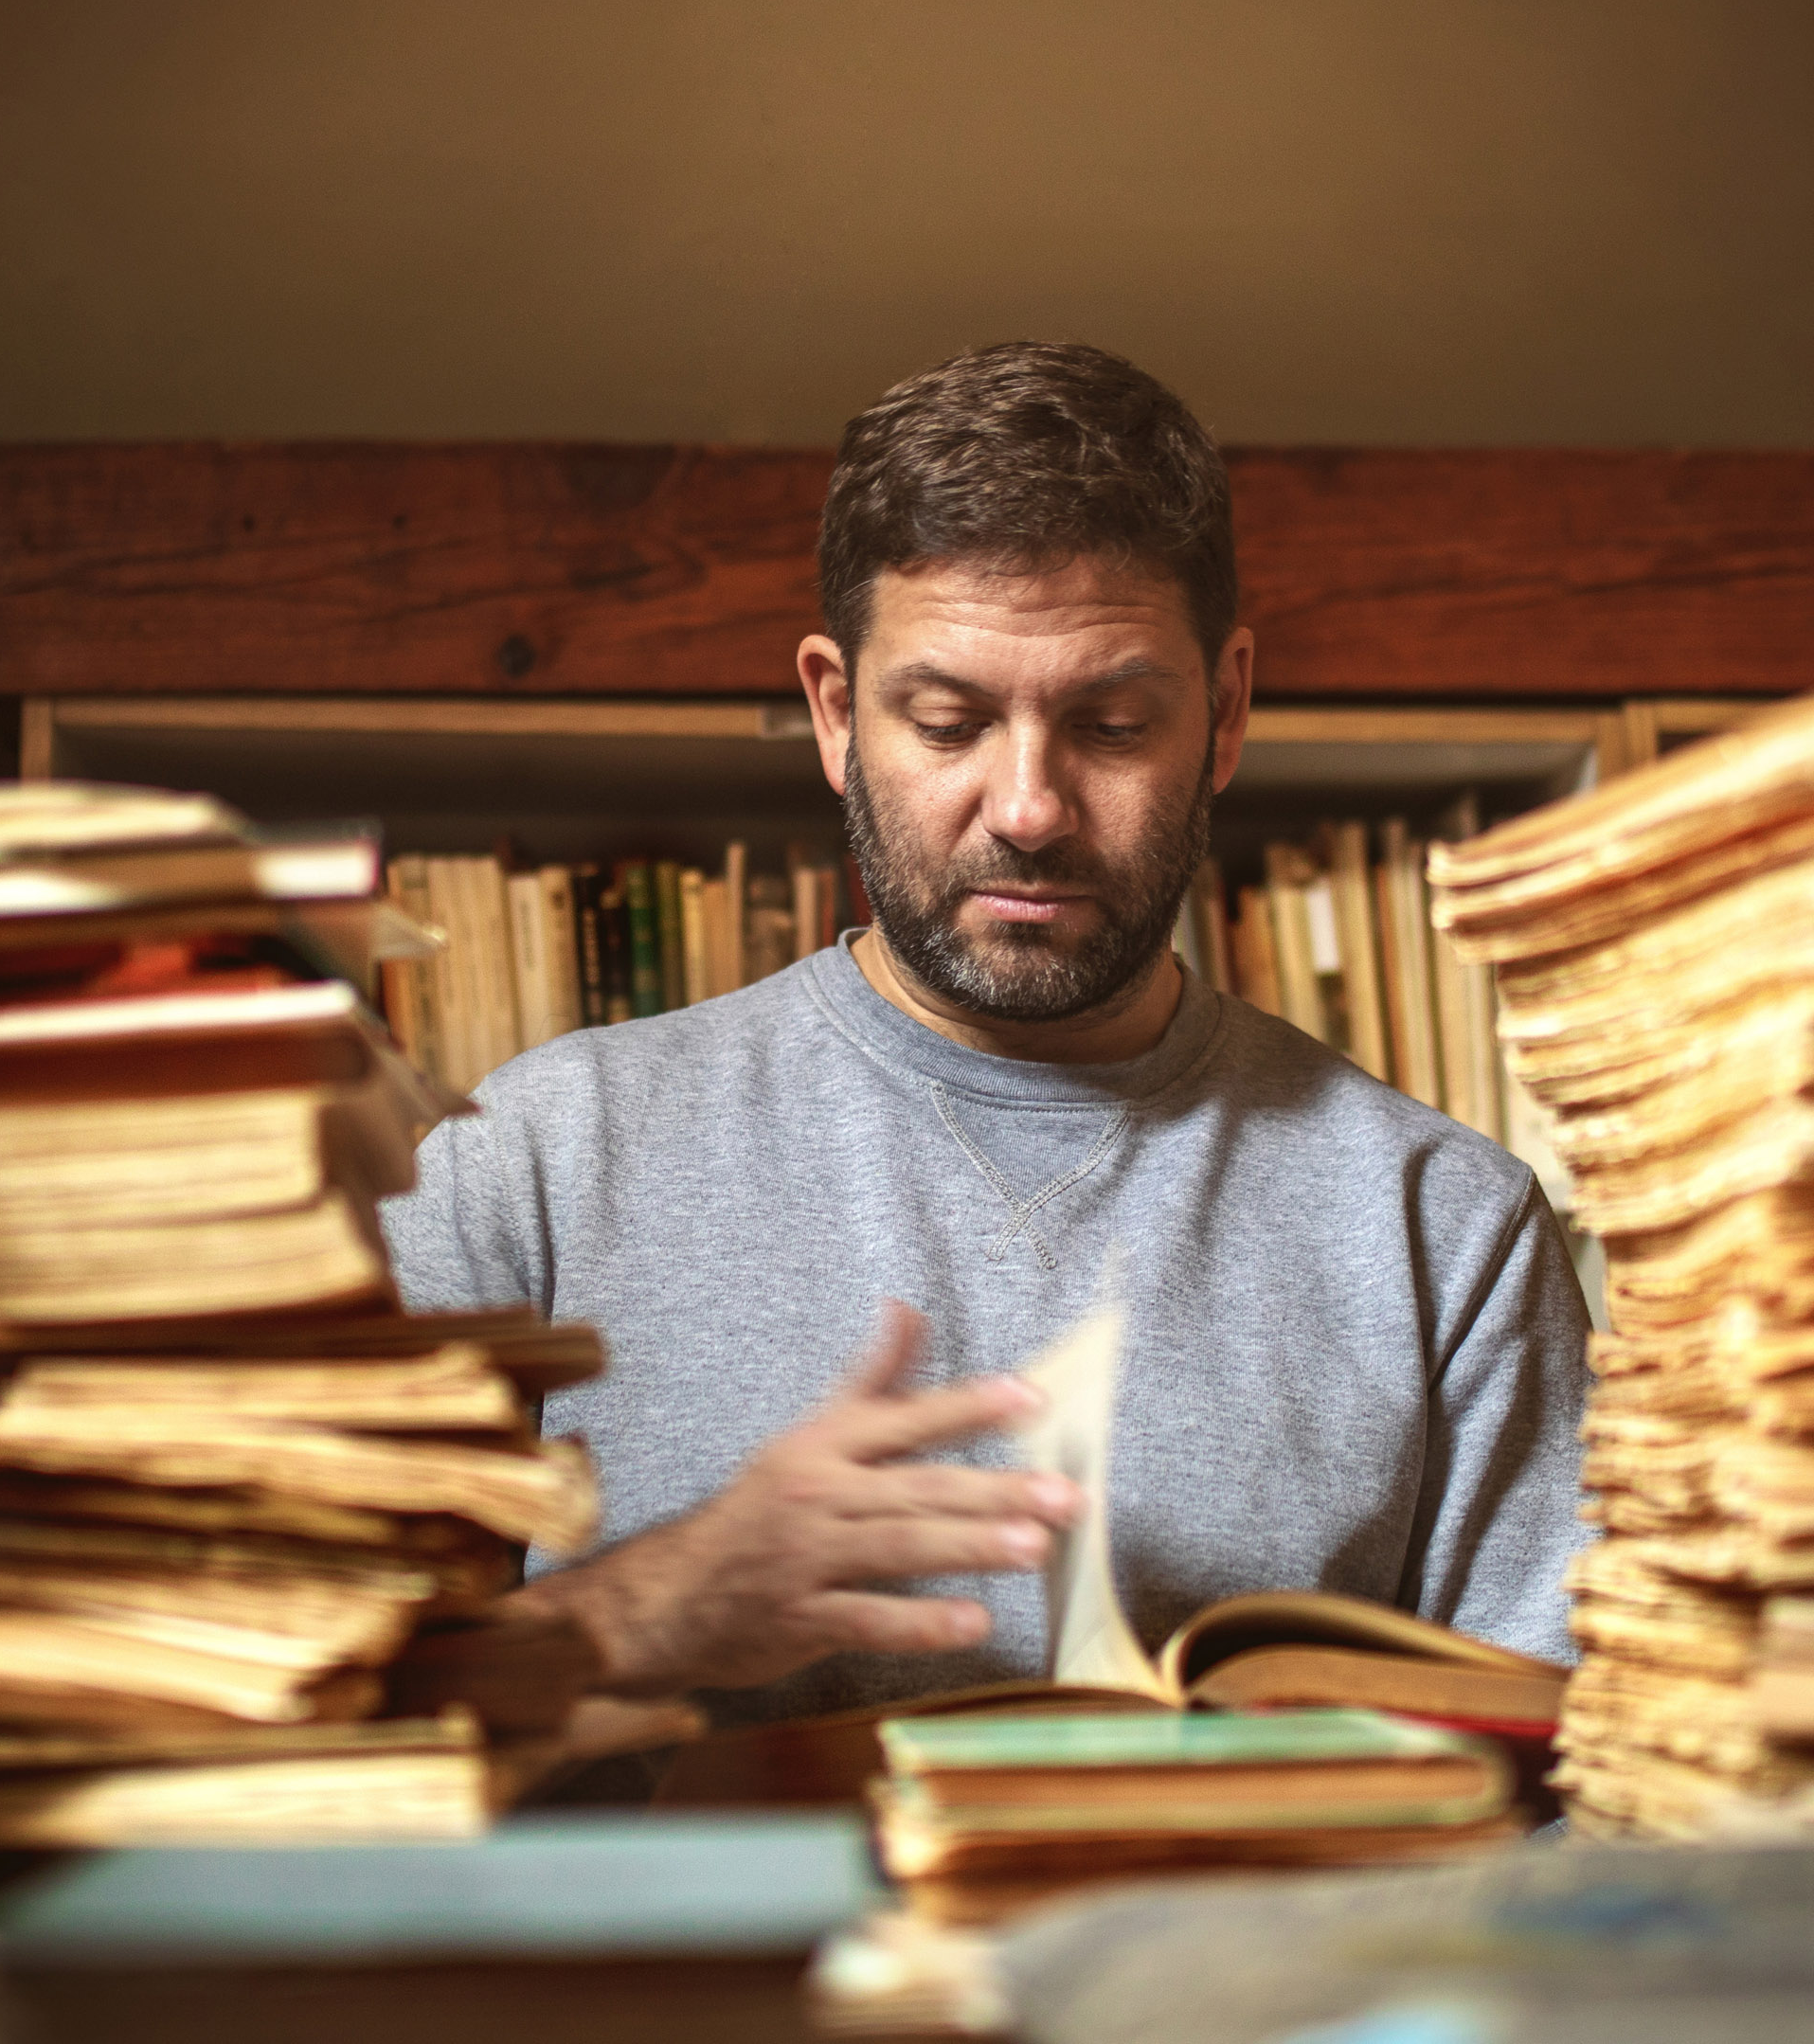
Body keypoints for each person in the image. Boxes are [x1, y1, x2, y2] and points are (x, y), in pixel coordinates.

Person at [381, 341, 1591, 1730]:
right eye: (948, 720)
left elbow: (1580, 1799)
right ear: (838, 715)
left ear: (1228, 713)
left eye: (1113, 723)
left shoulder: (1442, 1231)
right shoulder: (526, 1168)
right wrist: (634, 1611)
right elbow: (271, 1742)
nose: (1028, 805)